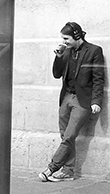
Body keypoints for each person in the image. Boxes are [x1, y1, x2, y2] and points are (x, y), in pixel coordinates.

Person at [39, 21, 105, 182]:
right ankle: (68, 171)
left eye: (66, 38)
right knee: (65, 136)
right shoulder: (66, 51)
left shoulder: (94, 51)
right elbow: (56, 74)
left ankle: (51, 168)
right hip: (66, 97)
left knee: (69, 135)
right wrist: (59, 57)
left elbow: (98, 78)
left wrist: (96, 101)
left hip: (82, 100)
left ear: (76, 36)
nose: (64, 42)